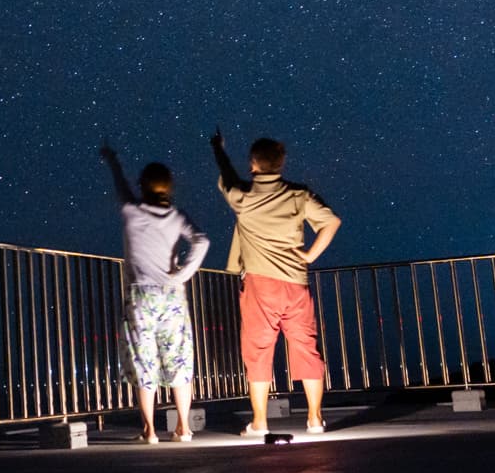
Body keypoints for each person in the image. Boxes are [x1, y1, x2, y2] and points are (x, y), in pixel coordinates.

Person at [211, 128, 341, 436]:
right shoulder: (298, 194)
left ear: (253, 164)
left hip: (260, 285)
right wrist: (310, 255)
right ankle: (314, 418)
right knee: (306, 348)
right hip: (295, 283)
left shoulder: (243, 197)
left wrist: (218, 148)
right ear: (281, 164)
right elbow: (331, 221)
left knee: (257, 350)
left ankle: (259, 422)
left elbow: (226, 175)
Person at [101, 141, 211, 443]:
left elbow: (120, 185)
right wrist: (183, 274)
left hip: (141, 296)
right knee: (178, 359)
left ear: (143, 186)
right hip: (172, 294)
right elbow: (202, 241)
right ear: (169, 187)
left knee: (143, 358)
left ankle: (149, 429)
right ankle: (184, 428)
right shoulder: (177, 216)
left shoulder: (131, 211)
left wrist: (112, 160)